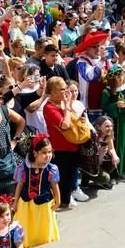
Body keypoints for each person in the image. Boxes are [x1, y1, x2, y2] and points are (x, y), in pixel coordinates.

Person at [12, 134, 60, 248]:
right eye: (44, 152)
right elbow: (20, 185)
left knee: (43, 224)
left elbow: (54, 186)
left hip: (44, 203)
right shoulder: (24, 167)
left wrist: (58, 201)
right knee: (27, 224)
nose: (47, 155)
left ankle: (42, 240)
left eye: (49, 152)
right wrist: (15, 202)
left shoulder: (51, 169)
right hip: (26, 203)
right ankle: (28, 241)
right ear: (35, 153)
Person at [42, 76, 82, 209]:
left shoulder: (62, 102)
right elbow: (64, 125)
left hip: (73, 145)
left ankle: (66, 201)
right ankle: (59, 202)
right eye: (63, 89)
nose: (66, 92)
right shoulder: (49, 107)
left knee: (70, 177)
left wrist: (68, 105)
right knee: (62, 178)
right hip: (61, 148)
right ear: (53, 92)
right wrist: (67, 109)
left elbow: (74, 116)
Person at [101, 65, 125, 178]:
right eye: (116, 78)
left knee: (124, 144)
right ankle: (113, 174)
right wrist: (115, 105)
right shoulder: (107, 91)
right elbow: (104, 107)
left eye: (120, 76)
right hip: (113, 123)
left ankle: (124, 170)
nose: (119, 79)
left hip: (124, 121)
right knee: (113, 146)